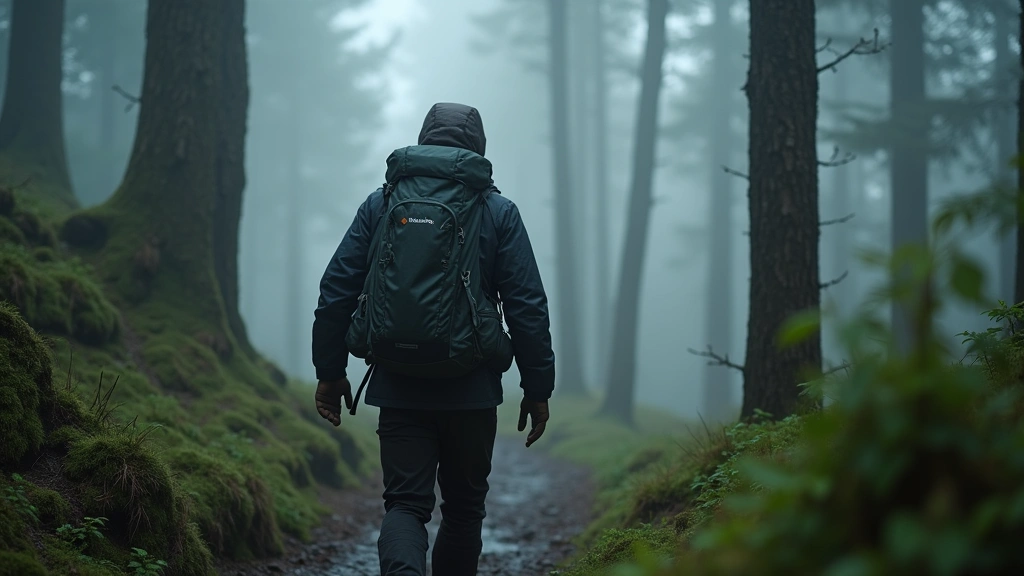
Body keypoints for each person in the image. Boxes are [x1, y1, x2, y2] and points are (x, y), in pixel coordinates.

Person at [311, 102, 556, 576]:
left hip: (399, 383)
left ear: (424, 140)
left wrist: (330, 372)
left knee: (405, 505)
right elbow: (528, 307)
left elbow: (336, 289)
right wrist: (538, 389)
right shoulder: (497, 210)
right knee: (463, 511)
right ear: (478, 148)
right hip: (472, 388)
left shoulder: (381, 204)